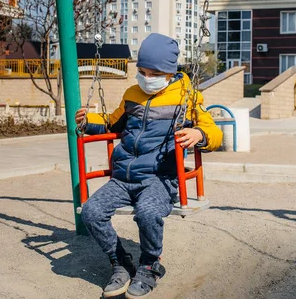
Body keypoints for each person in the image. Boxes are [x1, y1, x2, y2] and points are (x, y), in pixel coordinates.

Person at [75, 33, 222, 298]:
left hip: (159, 177)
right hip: (123, 176)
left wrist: (199, 135)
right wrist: (89, 120)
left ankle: (149, 264)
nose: (147, 77)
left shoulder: (186, 96)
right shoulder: (132, 94)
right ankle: (120, 262)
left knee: (147, 212)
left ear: (169, 72)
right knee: (91, 212)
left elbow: (213, 131)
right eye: (142, 71)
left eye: (154, 72)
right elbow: (113, 122)